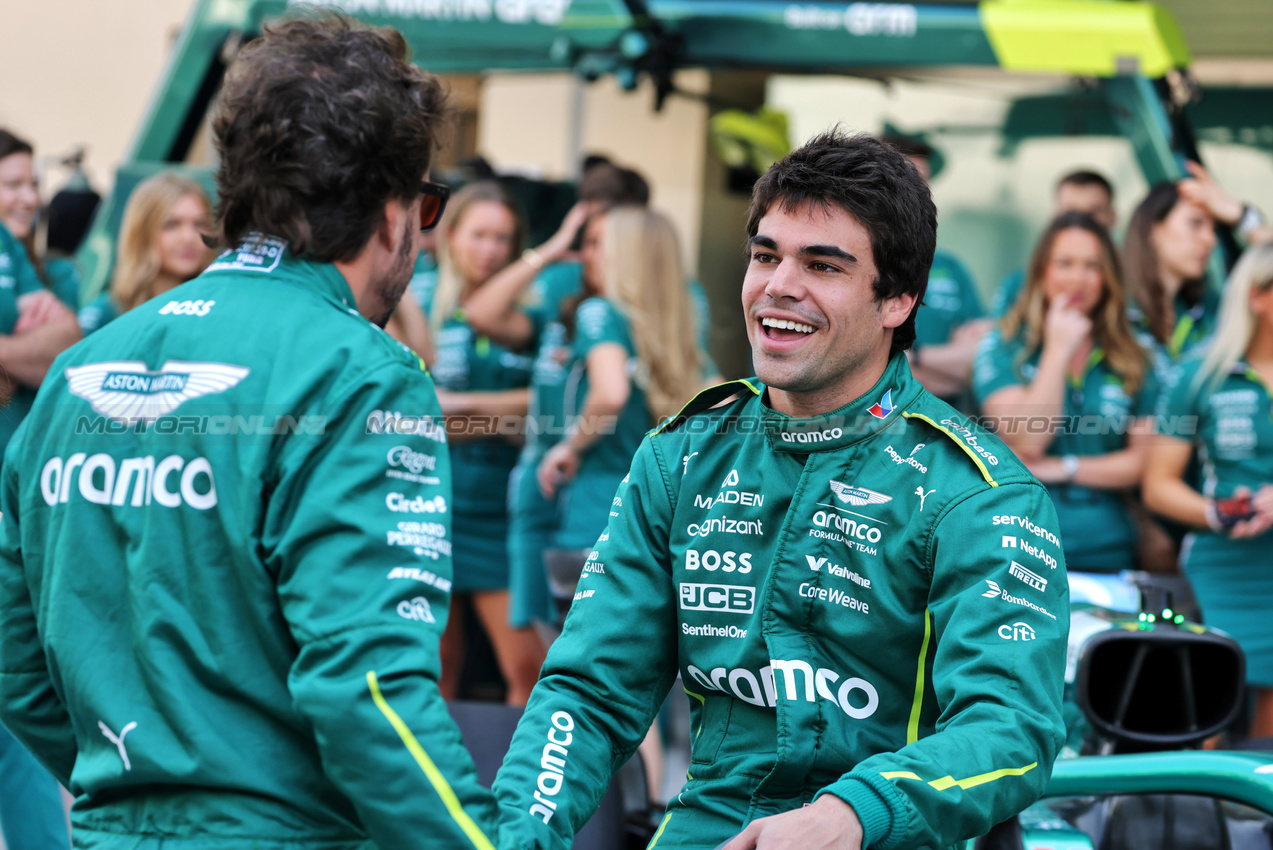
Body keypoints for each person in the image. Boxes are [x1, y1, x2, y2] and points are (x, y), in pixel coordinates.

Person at [0, 14, 499, 850]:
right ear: (391, 210)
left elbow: (16, 657)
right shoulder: (363, 372)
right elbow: (369, 689)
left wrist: (137, 784)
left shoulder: (81, 369)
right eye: (429, 206)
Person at [492, 131, 1068, 850]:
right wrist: (512, 836)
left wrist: (854, 814)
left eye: (821, 265)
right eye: (766, 255)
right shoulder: (680, 456)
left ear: (896, 300)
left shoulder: (981, 495)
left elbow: (1011, 728)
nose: (777, 286)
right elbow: (587, 692)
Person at [414, 181, 545, 705]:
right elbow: (420, 413)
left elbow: (556, 407)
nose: (490, 249)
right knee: (434, 668)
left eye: (503, 238)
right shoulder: (416, 296)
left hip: (505, 511)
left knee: (528, 669)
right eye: (479, 235)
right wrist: (511, 415)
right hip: (427, 498)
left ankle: (514, 788)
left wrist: (463, 411)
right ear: (450, 235)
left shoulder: (534, 307)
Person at [974, 212, 1157, 573]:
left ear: (1108, 278)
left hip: (1109, 553)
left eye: (1092, 266)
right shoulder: (1003, 342)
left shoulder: (1134, 352)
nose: (1079, 278)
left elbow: (1141, 464)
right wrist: (1058, 350)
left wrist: (1064, 468)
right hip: (1018, 546)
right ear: (1042, 269)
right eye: (1065, 263)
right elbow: (1028, 440)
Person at [1144, 244, 1273, 738]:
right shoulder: (1200, 372)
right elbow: (1158, 485)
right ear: (1258, 298)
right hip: (1224, 565)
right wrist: (1220, 513)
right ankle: (1199, 814)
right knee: (1206, 711)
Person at [0, 128, 71, 850]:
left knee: (16, 712)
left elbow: (67, 347)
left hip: (21, 513)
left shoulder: (42, 266)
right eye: (9, 183)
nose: (26, 198)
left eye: (31, 183)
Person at [882, 134, 990, 407]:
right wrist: (945, 362)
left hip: (940, 433)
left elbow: (977, 365)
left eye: (924, 183)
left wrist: (914, 358)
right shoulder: (848, 264)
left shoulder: (950, 268)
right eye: (906, 182)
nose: (918, 193)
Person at [77, 172, 212, 334]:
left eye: (199, 224)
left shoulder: (217, 306)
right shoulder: (107, 313)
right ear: (141, 232)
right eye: (172, 224)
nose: (189, 237)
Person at [991, 170, 1118, 318]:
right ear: (1054, 217)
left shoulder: (1136, 282)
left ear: (1112, 217)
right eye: (1070, 213)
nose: (1081, 223)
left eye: (1093, 213)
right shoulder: (1017, 288)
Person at [0, 129, 81, 309]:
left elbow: (70, 332)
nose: (32, 199)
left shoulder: (57, 272)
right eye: (14, 184)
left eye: (34, 185)